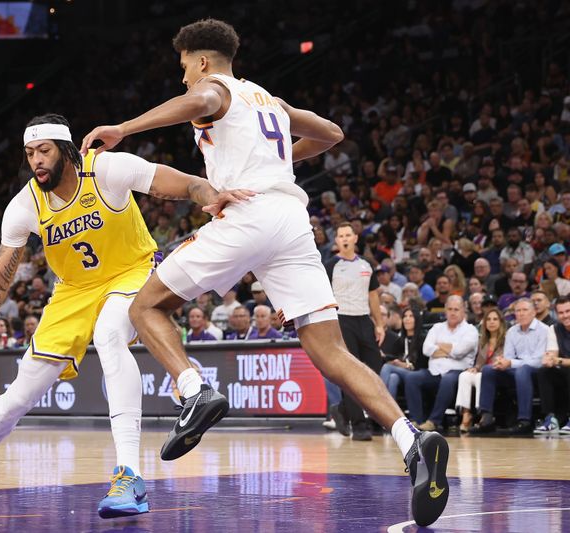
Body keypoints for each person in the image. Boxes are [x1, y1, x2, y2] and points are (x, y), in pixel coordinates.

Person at [82, 18, 448, 527]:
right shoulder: (269, 99)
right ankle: (412, 440)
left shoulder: (216, 88)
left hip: (249, 213)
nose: (183, 77)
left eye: (184, 65)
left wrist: (125, 129)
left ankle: (194, 391)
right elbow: (332, 133)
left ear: (203, 60)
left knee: (145, 306)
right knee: (329, 350)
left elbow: (198, 102)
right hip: (292, 222)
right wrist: (280, 165)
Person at [0, 113, 245, 518]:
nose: (36, 160)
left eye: (44, 151)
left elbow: (186, 184)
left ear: (66, 151)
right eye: (30, 153)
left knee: (110, 334)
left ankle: (130, 477)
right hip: (73, 292)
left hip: (131, 273)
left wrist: (212, 196)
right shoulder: (24, 206)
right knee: (20, 395)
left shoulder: (107, 169)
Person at [324, 222, 386, 441]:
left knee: (374, 369)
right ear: (337, 241)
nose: (345, 238)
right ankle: (359, 425)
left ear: (356, 238)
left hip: (363, 319)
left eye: (348, 235)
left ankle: (342, 408)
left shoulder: (367, 265)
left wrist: (379, 324)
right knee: (352, 373)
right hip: (341, 320)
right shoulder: (331, 265)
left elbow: (373, 296)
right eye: (340, 235)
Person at [471, 299, 548, 435]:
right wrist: (501, 362)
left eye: (525, 310)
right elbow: (508, 356)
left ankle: (525, 420)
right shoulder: (512, 331)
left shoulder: (544, 330)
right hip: (516, 371)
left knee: (522, 371)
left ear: (533, 312)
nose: (521, 314)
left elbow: (539, 361)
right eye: (518, 311)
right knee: (489, 369)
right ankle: (487, 418)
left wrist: (511, 363)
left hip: (537, 373)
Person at [404, 296, 477, 431]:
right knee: (411, 378)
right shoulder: (437, 327)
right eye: (449, 309)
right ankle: (416, 420)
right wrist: (451, 348)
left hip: (458, 371)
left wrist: (438, 347)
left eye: (456, 309)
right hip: (434, 371)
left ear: (463, 311)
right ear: (445, 311)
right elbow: (426, 349)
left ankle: (433, 421)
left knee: (448, 380)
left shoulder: (470, 330)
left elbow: (459, 352)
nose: (453, 312)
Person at [456, 308, 506, 432]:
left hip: (497, 372)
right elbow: (479, 362)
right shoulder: (482, 340)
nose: (491, 322)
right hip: (482, 370)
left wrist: (480, 370)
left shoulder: (506, 339)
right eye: (488, 319)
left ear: (501, 322)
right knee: (464, 375)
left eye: (495, 319)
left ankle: (483, 415)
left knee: (481, 377)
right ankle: (466, 414)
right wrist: (475, 368)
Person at [534, 296, 570, 434]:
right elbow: (552, 354)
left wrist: (558, 361)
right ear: (556, 314)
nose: (565, 315)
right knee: (544, 371)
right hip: (565, 372)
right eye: (561, 313)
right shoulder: (554, 329)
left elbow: (558, 360)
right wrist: (548, 360)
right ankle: (550, 419)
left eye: (568, 311)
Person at [379, 308, 426, 398]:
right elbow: (395, 356)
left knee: (387, 367)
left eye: (411, 316)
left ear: (417, 319)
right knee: (393, 378)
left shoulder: (423, 339)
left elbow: (421, 364)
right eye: (405, 316)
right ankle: (388, 410)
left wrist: (404, 365)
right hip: (401, 371)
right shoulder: (400, 340)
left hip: (416, 372)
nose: (407, 319)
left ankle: (378, 401)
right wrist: (386, 357)